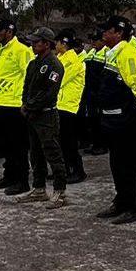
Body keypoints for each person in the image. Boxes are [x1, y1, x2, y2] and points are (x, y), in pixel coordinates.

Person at [94, 16, 136, 224]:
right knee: (117, 164)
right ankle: (121, 202)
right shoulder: (114, 53)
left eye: (107, 31)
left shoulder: (128, 54)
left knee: (129, 166)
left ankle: (133, 207)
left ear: (119, 33)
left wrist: (135, 113)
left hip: (129, 123)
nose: (103, 34)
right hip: (114, 121)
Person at [14, 27, 71, 209]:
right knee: (35, 154)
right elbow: (26, 87)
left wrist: (29, 106)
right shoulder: (34, 63)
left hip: (46, 115)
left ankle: (60, 191)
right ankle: (39, 188)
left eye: (36, 42)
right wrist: (25, 104)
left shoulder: (54, 65)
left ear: (47, 44)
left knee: (53, 153)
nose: (32, 45)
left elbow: (49, 92)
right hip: (33, 115)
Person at [0, 19, 33, 196]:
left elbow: (29, 77)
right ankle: (9, 176)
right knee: (5, 144)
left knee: (18, 145)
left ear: (9, 31)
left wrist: (25, 102)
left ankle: (22, 180)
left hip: (15, 106)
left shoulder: (21, 50)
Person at [54, 29, 87, 184]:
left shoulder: (71, 60)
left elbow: (58, 80)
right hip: (60, 105)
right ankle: (65, 170)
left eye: (57, 42)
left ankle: (77, 171)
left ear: (64, 43)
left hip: (69, 106)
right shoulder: (61, 57)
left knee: (69, 142)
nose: (55, 45)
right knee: (62, 141)